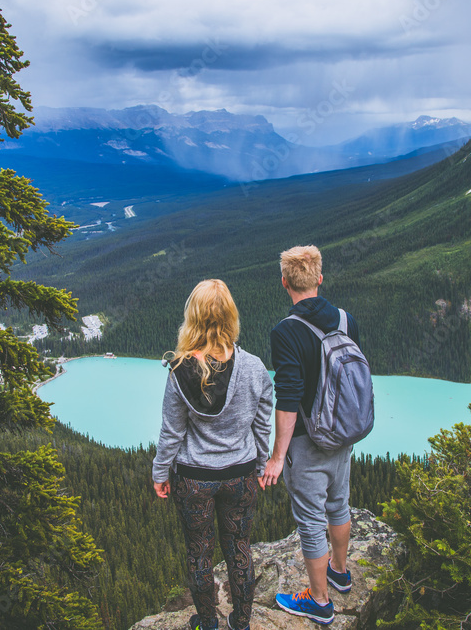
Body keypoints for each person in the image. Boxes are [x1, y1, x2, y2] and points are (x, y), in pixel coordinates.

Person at [152, 279, 274, 630]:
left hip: (195, 480)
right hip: (241, 475)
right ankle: (243, 622)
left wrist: (161, 473)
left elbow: (172, 432)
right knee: (240, 548)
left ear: (194, 317)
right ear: (230, 316)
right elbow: (262, 424)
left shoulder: (180, 370)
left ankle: (207, 623)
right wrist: (262, 462)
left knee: (199, 553)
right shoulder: (254, 367)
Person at [260, 245, 360, 625]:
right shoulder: (348, 321)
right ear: (320, 278)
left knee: (309, 520)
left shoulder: (285, 331)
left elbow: (288, 397)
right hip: (343, 435)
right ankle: (340, 571)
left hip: (306, 441)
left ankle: (319, 601)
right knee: (339, 503)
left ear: (285, 282)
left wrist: (277, 456)